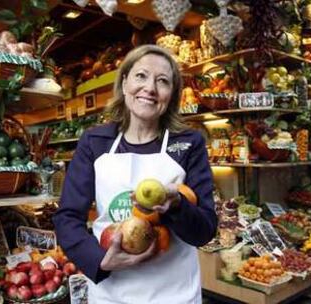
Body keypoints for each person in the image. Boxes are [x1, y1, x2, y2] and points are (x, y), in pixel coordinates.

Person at [53, 44, 217, 304]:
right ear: (125, 81)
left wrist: (176, 206)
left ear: (172, 94)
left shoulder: (189, 143)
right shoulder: (94, 142)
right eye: (141, 76)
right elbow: (68, 216)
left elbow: (205, 230)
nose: (150, 88)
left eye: (162, 81)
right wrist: (99, 260)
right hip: (111, 294)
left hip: (175, 294)